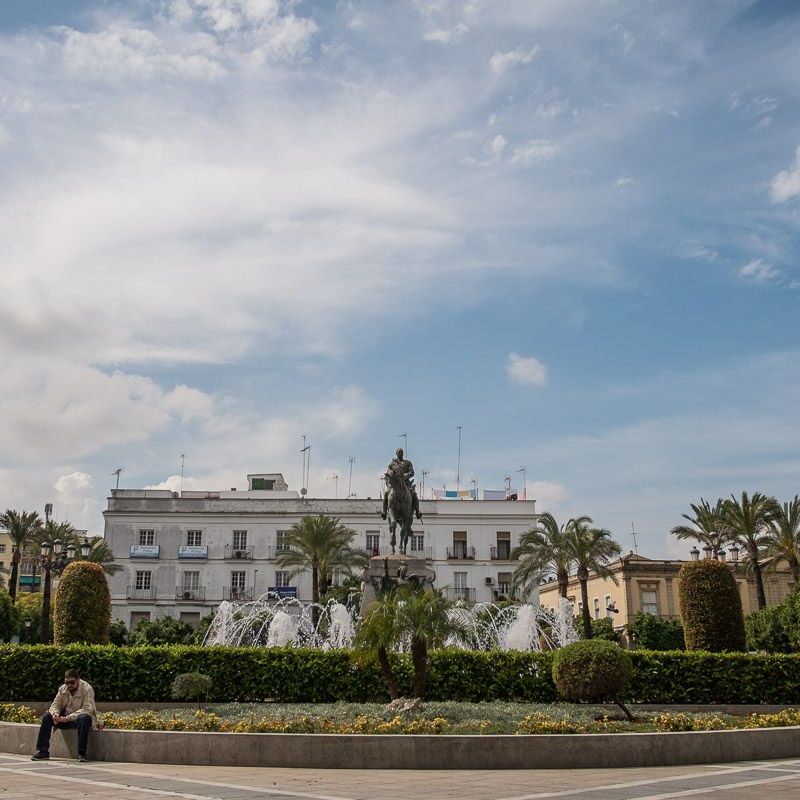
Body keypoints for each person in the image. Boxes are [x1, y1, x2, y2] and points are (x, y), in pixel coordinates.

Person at [32, 668, 102, 762]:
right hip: (64, 719)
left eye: (72, 682)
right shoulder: (62, 689)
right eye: (67, 682)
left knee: (85, 718)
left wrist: (66, 718)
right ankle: (42, 751)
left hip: (78, 719)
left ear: (78, 680)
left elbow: (87, 709)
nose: (69, 685)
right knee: (47, 717)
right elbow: (55, 705)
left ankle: (82, 753)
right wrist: (55, 714)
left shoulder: (87, 689)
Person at [382, 447, 423, 521]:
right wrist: (392, 474)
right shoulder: (392, 464)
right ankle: (384, 512)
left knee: (413, 493)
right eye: (399, 452)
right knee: (386, 493)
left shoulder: (408, 463)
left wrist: (404, 476)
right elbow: (388, 472)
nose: (401, 453)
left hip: (406, 483)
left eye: (402, 452)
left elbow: (412, 472)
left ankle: (417, 511)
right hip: (395, 484)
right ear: (396, 453)